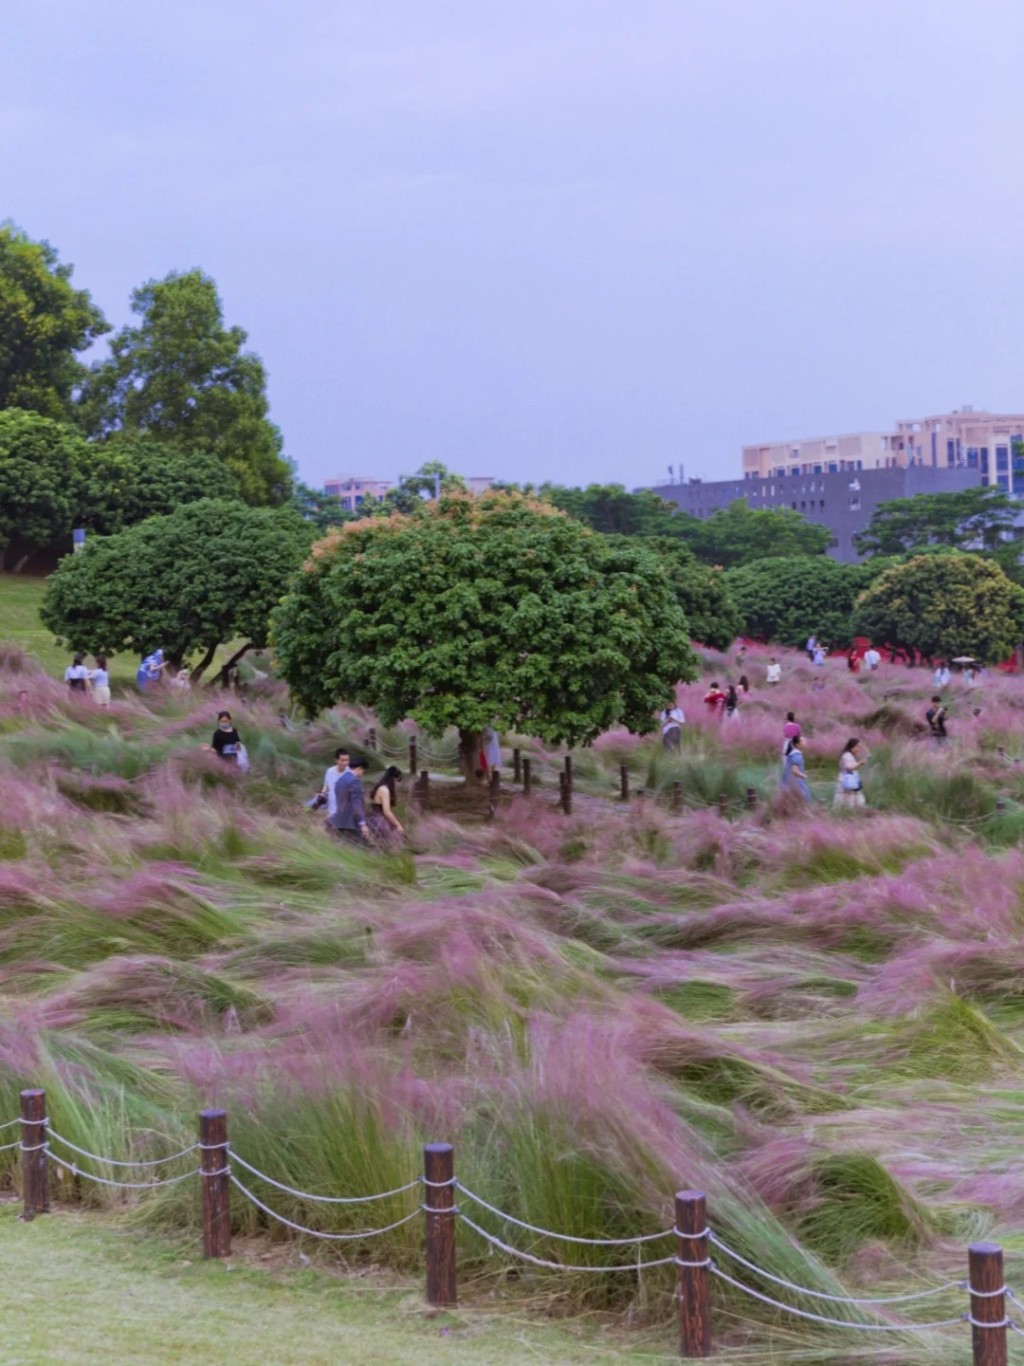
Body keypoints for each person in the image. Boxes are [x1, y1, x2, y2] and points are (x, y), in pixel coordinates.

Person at [330, 756, 371, 843]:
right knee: (359, 850)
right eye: (363, 771)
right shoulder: (354, 781)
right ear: (359, 768)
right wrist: (363, 823)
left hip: (339, 820)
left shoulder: (340, 780)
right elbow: (357, 804)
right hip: (352, 822)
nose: (363, 774)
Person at [367, 765, 405, 844]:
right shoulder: (385, 790)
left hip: (375, 817)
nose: (397, 785)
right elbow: (386, 812)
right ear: (393, 779)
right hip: (379, 819)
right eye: (397, 781)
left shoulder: (381, 787)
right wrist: (398, 825)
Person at [834, 737, 868, 809]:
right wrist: (860, 763)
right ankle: (846, 813)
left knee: (855, 799)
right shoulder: (846, 755)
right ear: (852, 746)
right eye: (857, 746)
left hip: (852, 781)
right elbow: (849, 767)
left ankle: (854, 812)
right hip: (846, 781)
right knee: (847, 800)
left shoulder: (851, 755)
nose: (859, 748)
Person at [321, 748, 350, 827]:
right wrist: (321, 796)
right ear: (336, 760)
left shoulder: (350, 773)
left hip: (345, 810)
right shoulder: (329, 771)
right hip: (332, 809)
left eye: (347, 760)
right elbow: (326, 786)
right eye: (342, 760)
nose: (345, 763)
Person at [781, 736, 811, 802]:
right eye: (802, 741)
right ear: (797, 744)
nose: (805, 742)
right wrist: (803, 776)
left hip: (790, 784)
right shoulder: (796, 755)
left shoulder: (794, 754)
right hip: (796, 784)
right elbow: (794, 771)